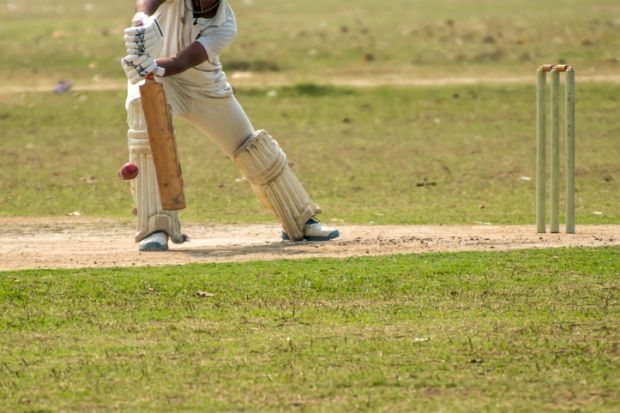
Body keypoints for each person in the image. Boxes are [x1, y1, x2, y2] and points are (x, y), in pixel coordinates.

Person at [121, 0, 340, 251]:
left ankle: (301, 220)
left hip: (205, 89)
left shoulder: (224, 25)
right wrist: (142, 18)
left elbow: (181, 61)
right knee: (146, 130)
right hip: (158, 83)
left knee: (251, 148)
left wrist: (155, 66)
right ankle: (155, 229)